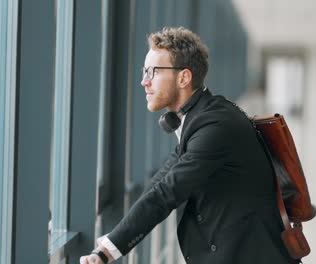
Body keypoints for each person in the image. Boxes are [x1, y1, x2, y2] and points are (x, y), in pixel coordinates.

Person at [80, 27, 299, 264]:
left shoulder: (215, 126)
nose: (144, 81)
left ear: (183, 77)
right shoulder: (202, 118)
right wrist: (114, 239)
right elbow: (160, 183)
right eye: (144, 71)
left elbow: (167, 193)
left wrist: (106, 253)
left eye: (153, 72)